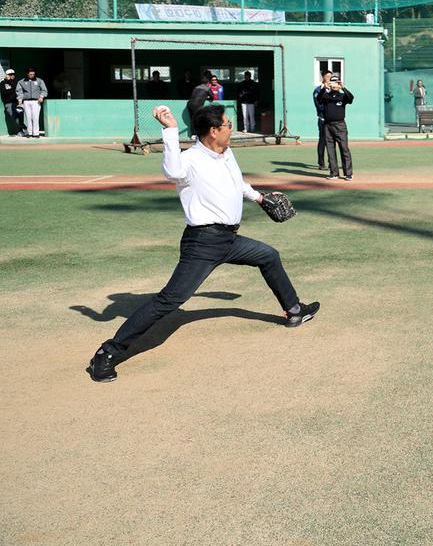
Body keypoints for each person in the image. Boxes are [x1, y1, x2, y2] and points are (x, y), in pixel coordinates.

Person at [85, 104, 319, 383]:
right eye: (227, 125)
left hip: (229, 239)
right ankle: (107, 353)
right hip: (203, 243)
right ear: (213, 131)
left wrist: (259, 198)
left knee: (268, 256)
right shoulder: (190, 160)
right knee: (169, 300)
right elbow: (172, 171)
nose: (231, 129)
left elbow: (237, 183)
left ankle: (294, 311)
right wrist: (170, 130)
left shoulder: (225, 152)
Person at [319, 74, 354, 180]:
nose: (334, 85)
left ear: (339, 84)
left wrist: (343, 87)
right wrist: (324, 88)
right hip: (327, 125)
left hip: (340, 126)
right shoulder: (326, 96)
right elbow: (319, 98)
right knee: (330, 149)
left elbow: (351, 98)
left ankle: (348, 173)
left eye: (336, 83)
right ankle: (334, 173)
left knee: (344, 148)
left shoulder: (343, 96)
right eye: (332, 82)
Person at [16, 67, 48, 138]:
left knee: (35, 117)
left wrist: (41, 96)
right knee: (28, 117)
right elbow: (19, 91)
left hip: (36, 101)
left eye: (33, 74)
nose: (32, 75)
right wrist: (20, 100)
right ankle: (29, 133)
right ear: (27, 74)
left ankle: (36, 133)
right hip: (26, 101)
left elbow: (44, 90)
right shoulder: (21, 82)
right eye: (30, 74)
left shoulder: (39, 81)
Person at [313, 71, 332, 170]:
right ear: (323, 77)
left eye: (330, 76)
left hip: (332, 120)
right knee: (323, 141)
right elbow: (319, 105)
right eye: (327, 76)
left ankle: (332, 163)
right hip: (323, 119)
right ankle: (321, 163)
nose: (329, 78)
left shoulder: (333, 89)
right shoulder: (317, 90)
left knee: (332, 142)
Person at [2, 67, 20, 136]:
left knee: (19, 117)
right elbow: (4, 93)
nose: (12, 75)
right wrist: (13, 91)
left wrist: (11, 88)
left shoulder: (16, 82)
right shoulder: (3, 83)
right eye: (10, 74)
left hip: (17, 102)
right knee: (13, 117)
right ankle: (19, 130)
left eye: (13, 74)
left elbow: (17, 90)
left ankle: (21, 130)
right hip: (8, 103)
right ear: (7, 75)